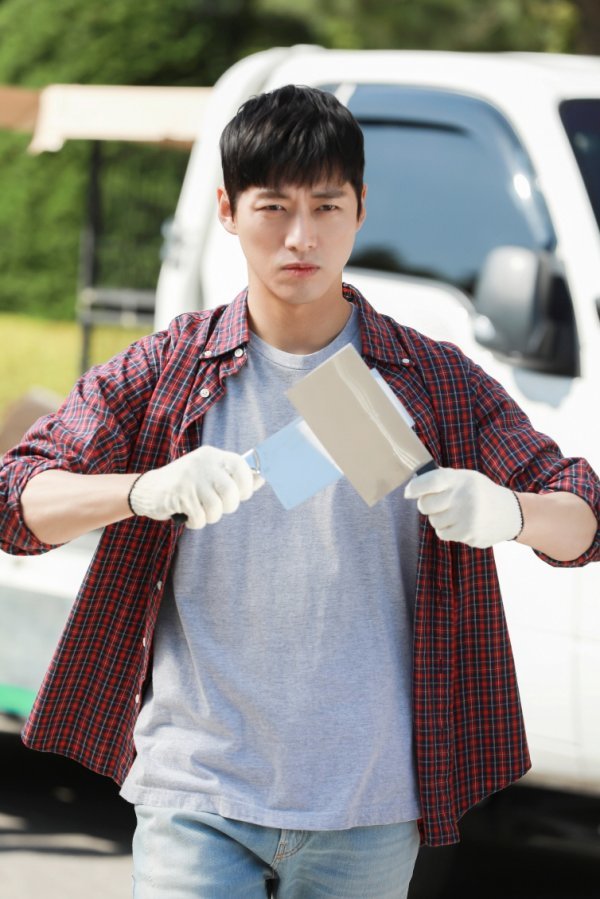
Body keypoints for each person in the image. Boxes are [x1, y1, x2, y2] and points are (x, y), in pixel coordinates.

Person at [1, 85, 598, 899]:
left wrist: (511, 512)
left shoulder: (431, 381)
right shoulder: (167, 369)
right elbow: (17, 499)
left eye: (326, 207)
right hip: (196, 790)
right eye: (274, 207)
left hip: (370, 806)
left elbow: (584, 514)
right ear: (227, 209)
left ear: (361, 209)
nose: (301, 237)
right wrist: (143, 489)